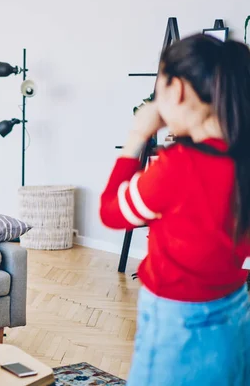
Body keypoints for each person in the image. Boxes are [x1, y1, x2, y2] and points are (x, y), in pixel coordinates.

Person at [100, 34, 250, 385]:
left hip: (176, 323)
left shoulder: (178, 167)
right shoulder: (242, 161)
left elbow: (112, 212)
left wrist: (137, 136)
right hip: (235, 314)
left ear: (177, 90)